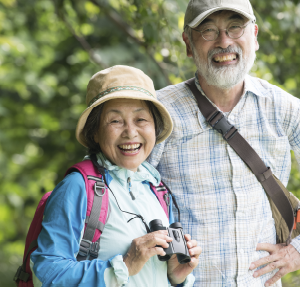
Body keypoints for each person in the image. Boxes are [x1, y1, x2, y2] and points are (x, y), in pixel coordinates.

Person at [147, 0, 300, 287]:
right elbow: (120, 193)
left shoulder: (279, 107)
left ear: (254, 37)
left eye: (235, 27)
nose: (224, 42)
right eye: (208, 31)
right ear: (188, 44)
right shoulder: (159, 113)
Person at [30, 65, 201, 287]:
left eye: (141, 119)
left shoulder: (155, 189)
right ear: (95, 132)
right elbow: (47, 272)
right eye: (115, 121)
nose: (130, 132)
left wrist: (174, 276)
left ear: (154, 128)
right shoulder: (78, 186)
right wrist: (125, 265)